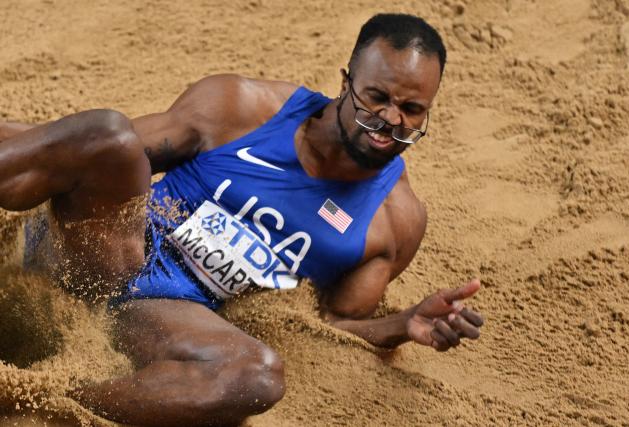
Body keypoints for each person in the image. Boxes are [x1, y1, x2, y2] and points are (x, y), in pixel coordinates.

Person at [0, 13, 484, 427]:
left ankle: (44, 396)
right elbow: (83, 156)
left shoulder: (394, 221)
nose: (390, 121)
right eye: (376, 98)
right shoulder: (242, 108)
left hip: (163, 312)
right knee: (108, 135)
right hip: (99, 250)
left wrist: (405, 323)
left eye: (412, 109)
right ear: (345, 83)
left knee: (257, 375)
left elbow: (328, 325)